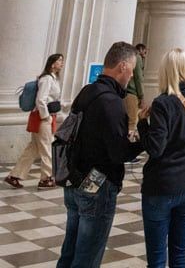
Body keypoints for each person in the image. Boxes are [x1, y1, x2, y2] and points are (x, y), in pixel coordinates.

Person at [55, 41, 143, 268]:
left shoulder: (87, 91)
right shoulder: (112, 102)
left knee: (71, 249)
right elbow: (118, 152)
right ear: (122, 66)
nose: (131, 76)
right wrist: (142, 142)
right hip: (97, 182)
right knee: (87, 255)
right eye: (131, 70)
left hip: (75, 179)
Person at [138, 48, 185, 268]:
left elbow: (155, 149)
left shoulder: (162, 103)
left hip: (162, 185)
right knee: (180, 256)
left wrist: (142, 124)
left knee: (157, 260)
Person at [5, 53, 64, 190]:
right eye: (59, 60)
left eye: (62, 60)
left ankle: (14, 176)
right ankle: (46, 178)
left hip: (47, 116)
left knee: (33, 148)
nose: (61, 63)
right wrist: (46, 117)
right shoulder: (47, 79)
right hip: (42, 118)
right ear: (52, 63)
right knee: (46, 147)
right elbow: (40, 100)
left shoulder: (53, 79)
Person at [125, 41, 146, 138]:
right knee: (132, 123)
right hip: (132, 93)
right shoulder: (137, 58)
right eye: (144, 52)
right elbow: (139, 78)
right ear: (140, 50)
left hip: (123, 92)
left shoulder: (127, 56)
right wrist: (142, 96)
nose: (145, 56)